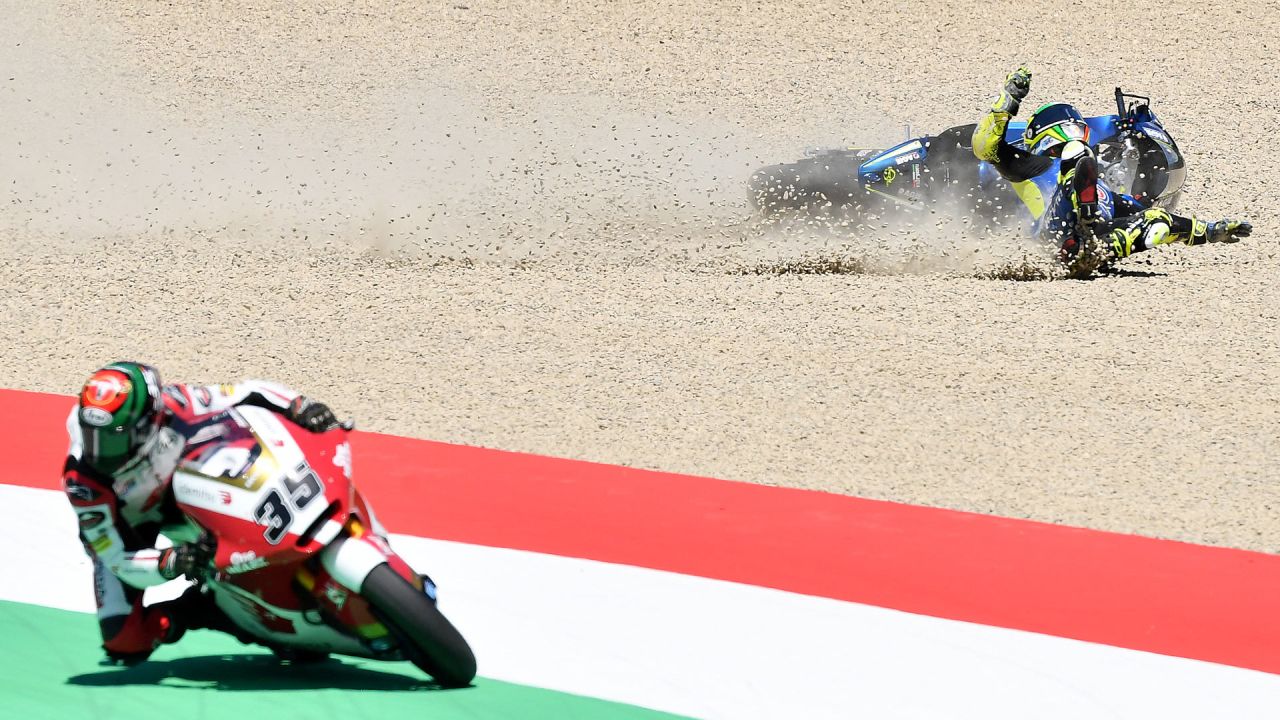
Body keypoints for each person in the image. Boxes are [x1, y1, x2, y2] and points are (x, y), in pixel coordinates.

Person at [63, 361, 343, 665]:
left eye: (115, 437)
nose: (100, 451)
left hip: (192, 490)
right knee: (124, 640)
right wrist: (168, 562)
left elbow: (249, 392)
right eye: (94, 436)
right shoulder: (83, 484)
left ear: (149, 420)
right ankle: (208, 610)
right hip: (131, 527)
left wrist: (300, 406)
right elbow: (116, 559)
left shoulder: (176, 403)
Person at [971, 67, 1252, 270]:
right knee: (1079, 158)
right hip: (1050, 234)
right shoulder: (1032, 165)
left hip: (1087, 248)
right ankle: (1085, 230)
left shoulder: (1098, 184)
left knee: (1158, 219)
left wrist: (1213, 231)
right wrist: (1008, 101)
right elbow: (985, 147)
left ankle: (1093, 243)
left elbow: (1142, 211)